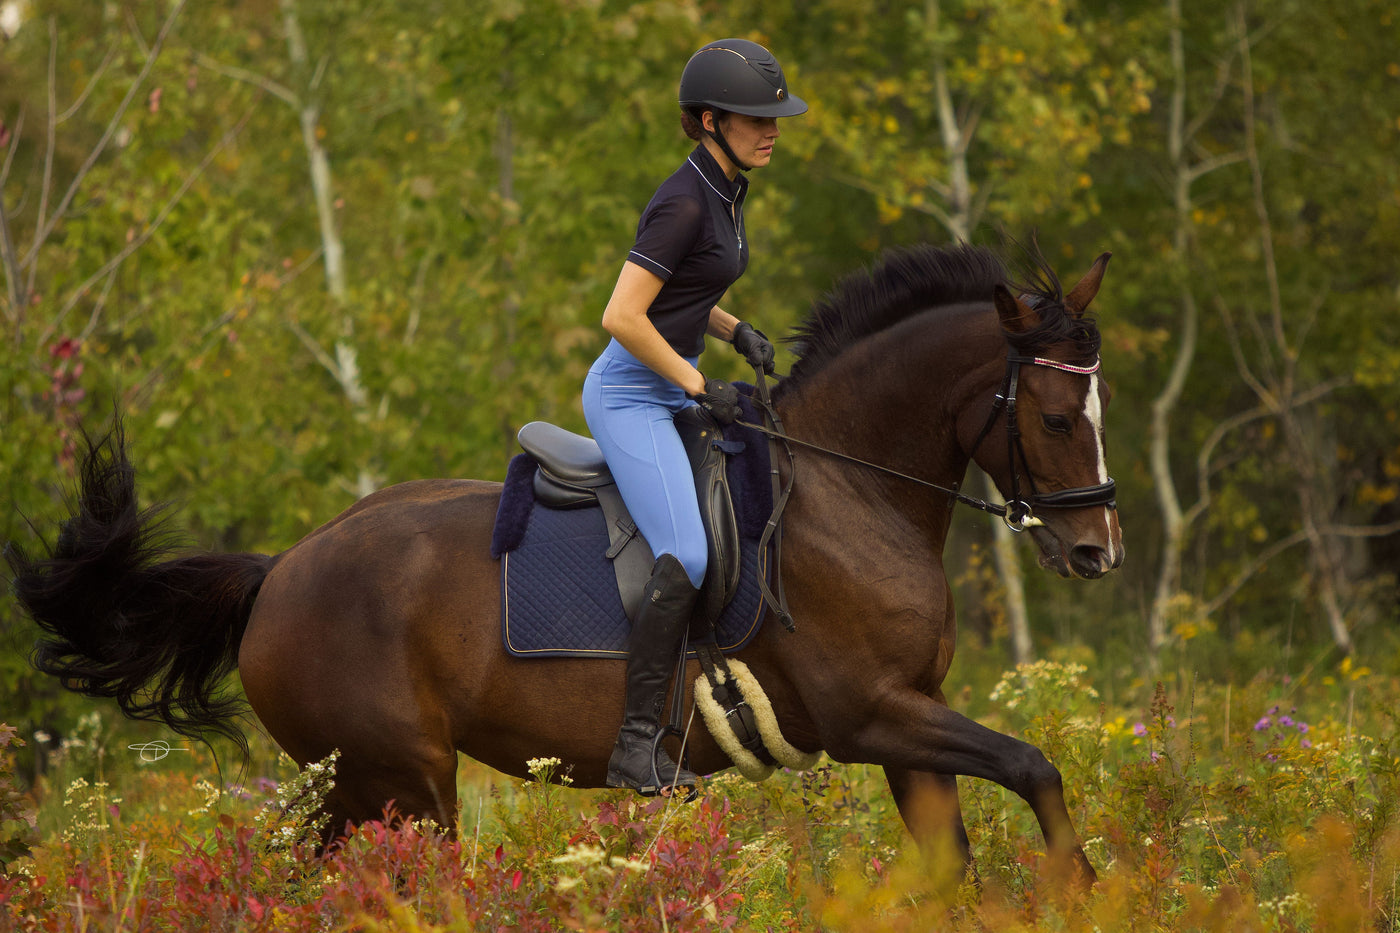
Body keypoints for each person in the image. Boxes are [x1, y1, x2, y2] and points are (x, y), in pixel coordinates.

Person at [582, 38, 807, 796]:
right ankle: (635, 747)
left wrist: (732, 328)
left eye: (775, 117)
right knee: (690, 551)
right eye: (756, 118)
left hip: (671, 382)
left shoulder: (726, 187)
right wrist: (693, 378)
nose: (771, 129)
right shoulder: (684, 200)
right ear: (711, 120)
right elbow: (622, 314)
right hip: (629, 395)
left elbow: (682, 292)